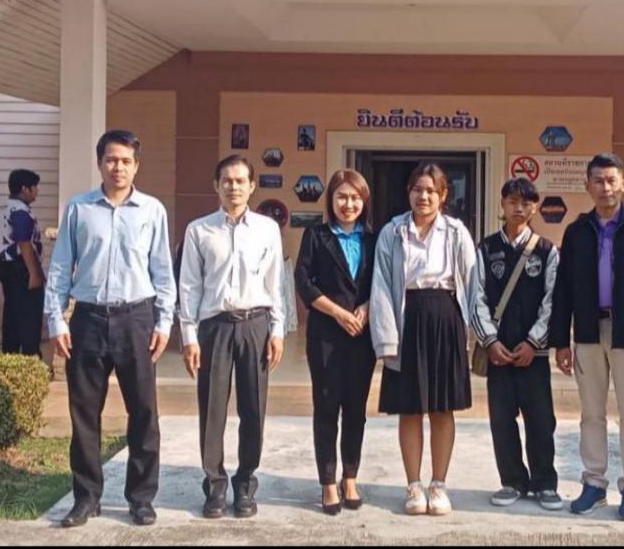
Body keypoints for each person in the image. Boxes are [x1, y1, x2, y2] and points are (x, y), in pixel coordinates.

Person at [45, 130, 175, 528]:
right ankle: (86, 498)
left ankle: (141, 498)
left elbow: (163, 271)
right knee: (85, 413)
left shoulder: (151, 211)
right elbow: (60, 267)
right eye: (111, 160)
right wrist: (56, 319)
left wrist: (164, 322)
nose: (118, 167)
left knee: (144, 412)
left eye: (126, 161)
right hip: (87, 320)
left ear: (137, 166)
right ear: (100, 162)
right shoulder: (79, 209)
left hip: (137, 320)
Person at [550, 153, 624, 521]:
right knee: (591, 413)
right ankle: (594, 483)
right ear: (587, 185)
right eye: (598, 180)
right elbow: (564, 289)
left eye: (611, 180)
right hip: (588, 331)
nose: (605, 187)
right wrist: (561, 340)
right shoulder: (576, 232)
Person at [178, 155, 286, 520]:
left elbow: (276, 283)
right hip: (215, 327)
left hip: (256, 324)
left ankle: (245, 483)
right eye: (227, 180)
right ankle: (215, 485)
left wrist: (277, 330)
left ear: (252, 186)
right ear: (216, 185)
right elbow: (189, 285)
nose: (234, 187)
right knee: (212, 409)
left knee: (253, 408)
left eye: (241, 181)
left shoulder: (267, 229)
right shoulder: (199, 230)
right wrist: (189, 335)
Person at [369, 163, 477, 516]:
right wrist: (386, 338)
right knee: (410, 407)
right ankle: (414, 484)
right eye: (418, 189)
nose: (424, 196)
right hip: (407, 319)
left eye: (431, 190)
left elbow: (472, 284)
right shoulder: (392, 232)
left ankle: (439, 484)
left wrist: (478, 336)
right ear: (409, 192)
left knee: (442, 407)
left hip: (445, 318)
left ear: (444, 195)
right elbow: (381, 285)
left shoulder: (457, 233)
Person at [472, 178, 562, 511]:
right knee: (501, 419)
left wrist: (533, 341)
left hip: (533, 355)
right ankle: (512, 481)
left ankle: (545, 483)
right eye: (512, 201)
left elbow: (553, 301)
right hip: (498, 353)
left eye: (526, 203)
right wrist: (490, 341)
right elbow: (476, 297)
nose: (519, 208)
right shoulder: (486, 249)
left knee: (541, 420)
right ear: (502, 204)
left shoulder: (547, 251)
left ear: (535, 207)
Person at [294, 169, 377, 515]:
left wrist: (366, 308)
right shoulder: (316, 236)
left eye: (355, 197)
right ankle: (328, 482)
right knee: (327, 408)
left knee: (356, 410)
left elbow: (383, 281)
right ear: (330, 200)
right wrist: (339, 313)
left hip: (362, 336)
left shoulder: (374, 239)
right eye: (342, 196)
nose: (348, 204)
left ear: (364, 201)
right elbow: (303, 281)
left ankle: (350, 477)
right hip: (326, 335)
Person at [0, 168, 45, 356]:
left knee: (12, 314)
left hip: (7, 266)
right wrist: (34, 273)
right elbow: (24, 243)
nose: (37, 191)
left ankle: (11, 356)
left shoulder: (5, 207)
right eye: (35, 187)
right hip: (21, 268)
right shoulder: (20, 211)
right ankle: (30, 356)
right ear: (25, 189)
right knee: (29, 315)